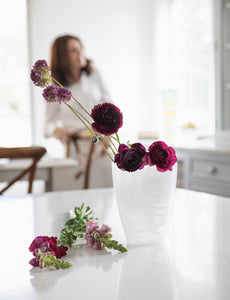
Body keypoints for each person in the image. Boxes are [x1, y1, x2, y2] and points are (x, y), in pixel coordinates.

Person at [44, 34, 113, 188]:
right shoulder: (54, 87)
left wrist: (109, 133)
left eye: (81, 48)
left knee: (105, 199)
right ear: (62, 56)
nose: (80, 53)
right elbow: (46, 126)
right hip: (75, 154)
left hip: (101, 149)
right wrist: (57, 130)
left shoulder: (95, 75)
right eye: (74, 50)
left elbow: (110, 108)